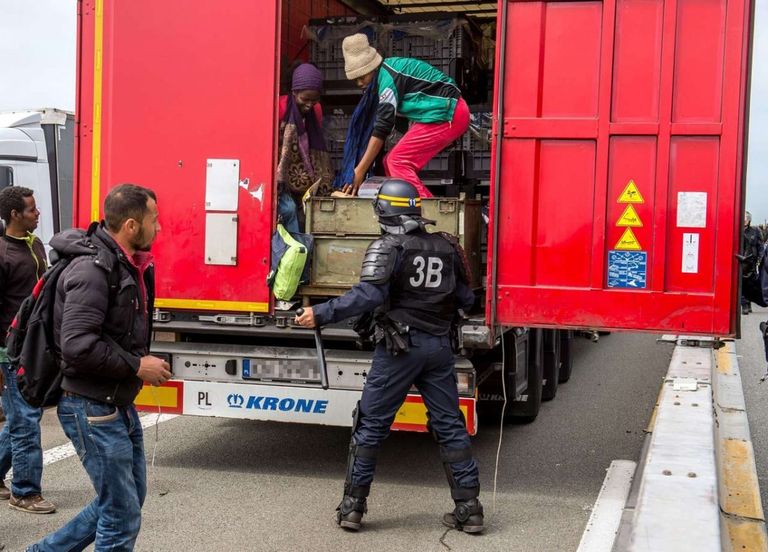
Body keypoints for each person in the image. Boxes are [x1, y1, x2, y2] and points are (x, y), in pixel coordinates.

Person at [296, 178, 483, 533]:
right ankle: (469, 509)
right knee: (449, 426)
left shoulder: (388, 246)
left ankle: (352, 508)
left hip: (399, 350)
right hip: (439, 348)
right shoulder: (446, 246)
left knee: (370, 426)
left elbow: (367, 295)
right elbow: (465, 299)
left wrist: (320, 313)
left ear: (382, 212)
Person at [29, 184, 172, 552]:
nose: (158, 228)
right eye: (153, 221)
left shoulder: (124, 263)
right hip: (92, 407)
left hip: (114, 402)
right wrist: (137, 365)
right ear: (130, 225)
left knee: (127, 499)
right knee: (121, 513)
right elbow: (77, 346)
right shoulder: (93, 270)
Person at [339, 33, 470, 198]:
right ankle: (405, 214)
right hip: (442, 113)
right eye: (355, 80)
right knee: (389, 162)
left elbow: (382, 128)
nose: (360, 84)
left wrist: (360, 170)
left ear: (371, 68)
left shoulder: (387, 79)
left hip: (447, 112)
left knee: (397, 161)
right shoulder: (389, 70)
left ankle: (431, 213)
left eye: (362, 77)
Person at [0, 186, 55, 513]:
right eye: (32, 210)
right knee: (25, 421)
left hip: (33, 348)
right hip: (8, 353)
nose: (38, 214)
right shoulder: (2, 254)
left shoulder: (35, 245)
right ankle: (25, 491)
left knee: (23, 417)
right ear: (15, 215)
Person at [276, 62, 333, 233]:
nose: (309, 105)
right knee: (289, 210)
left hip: (304, 174)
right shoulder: (279, 107)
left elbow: (311, 146)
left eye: (314, 100)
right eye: (305, 99)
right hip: (281, 174)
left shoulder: (316, 110)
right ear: (294, 92)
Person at [742, 211, 763, 314]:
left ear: (749, 220)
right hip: (742, 261)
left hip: (752, 262)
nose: (744, 220)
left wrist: (760, 258)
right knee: (741, 283)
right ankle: (744, 304)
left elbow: (760, 246)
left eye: (746, 218)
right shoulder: (738, 230)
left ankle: (748, 302)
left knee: (751, 283)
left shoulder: (755, 231)